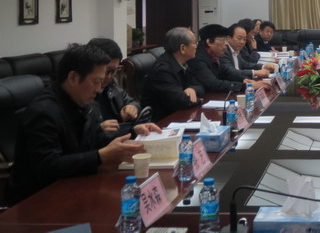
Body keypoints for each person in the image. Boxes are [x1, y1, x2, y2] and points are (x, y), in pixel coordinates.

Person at [7, 45, 159, 204]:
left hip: (72, 187)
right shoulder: (43, 112)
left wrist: (133, 131)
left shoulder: (81, 102)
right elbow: (48, 167)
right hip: (37, 201)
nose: (99, 90)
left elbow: (94, 138)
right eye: (96, 82)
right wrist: (101, 156)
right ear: (73, 78)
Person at [141, 27, 205, 121]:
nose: (196, 46)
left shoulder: (183, 64)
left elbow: (200, 86)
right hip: (161, 122)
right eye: (194, 42)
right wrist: (199, 100)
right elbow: (180, 101)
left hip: (178, 115)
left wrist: (193, 89)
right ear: (183, 48)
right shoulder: (162, 70)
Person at [188, 24, 270, 93]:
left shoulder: (213, 54)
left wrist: (244, 80)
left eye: (226, 40)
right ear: (209, 41)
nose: (226, 44)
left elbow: (226, 72)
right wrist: (245, 86)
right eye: (223, 40)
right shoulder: (198, 59)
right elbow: (213, 84)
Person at [87, 37, 141, 134]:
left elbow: (130, 101)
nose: (108, 76)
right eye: (106, 70)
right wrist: (99, 129)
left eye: (113, 71)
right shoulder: (83, 91)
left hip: (122, 135)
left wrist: (132, 107)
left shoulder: (112, 83)